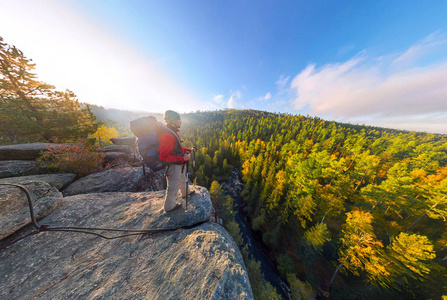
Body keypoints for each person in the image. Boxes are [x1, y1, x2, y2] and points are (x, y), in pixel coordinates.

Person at [158, 110, 196, 212]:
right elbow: (163, 157)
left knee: (183, 177)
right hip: (173, 165)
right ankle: (169, 206)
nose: (181, 122)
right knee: (173, 185)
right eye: (179, 119)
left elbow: (179, 148)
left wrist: (190, 150)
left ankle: (185, 192)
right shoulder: (168, 135)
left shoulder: (172, 132)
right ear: (173, 121)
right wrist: (182, 158)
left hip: (178, 162)